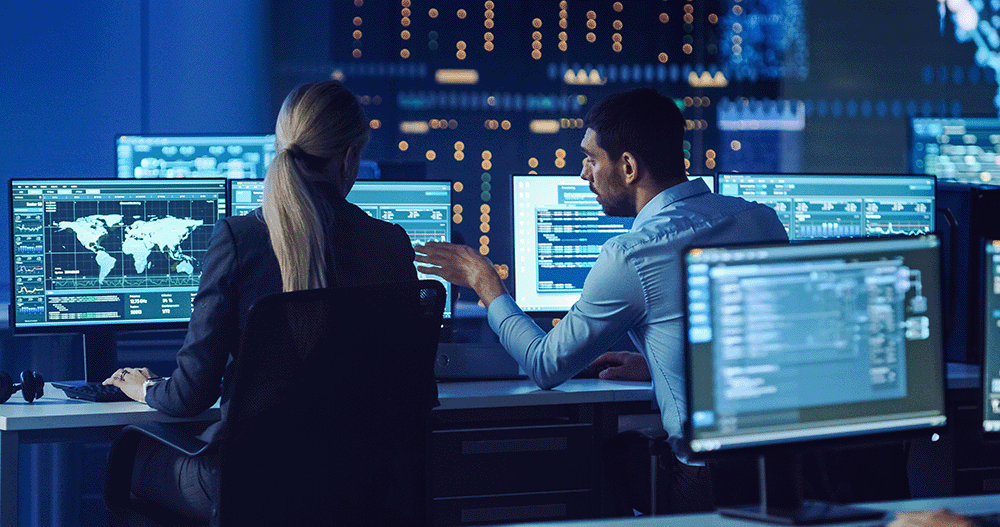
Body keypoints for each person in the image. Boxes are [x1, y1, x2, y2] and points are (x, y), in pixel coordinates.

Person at [415, 87, 789, 513]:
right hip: (787, 471)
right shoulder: (760, 218)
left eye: (591, 159)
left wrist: (485, 282)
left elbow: (544, 365)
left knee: (606, 454)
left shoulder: (633, 254)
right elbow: (750, 345)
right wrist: (657, 364)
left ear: (628, 166)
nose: (583, 175)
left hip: (710, 485)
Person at [102, 80, 418, 522]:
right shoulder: (392, 244)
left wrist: (145, 387)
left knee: (133, 463)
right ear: (350, 158)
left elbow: (191, 395)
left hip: (252, 487)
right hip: (361, 487)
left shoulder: (240, 238)